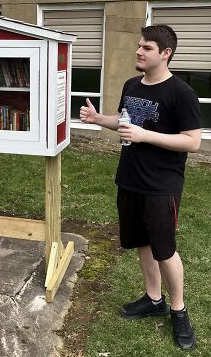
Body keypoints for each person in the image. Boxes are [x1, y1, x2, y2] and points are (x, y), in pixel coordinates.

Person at [79, 24, 201, 351]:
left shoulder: (181, 94)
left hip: (161, 186)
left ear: (165, 53)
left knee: (165, 250)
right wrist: (96, 118)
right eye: (139, 46)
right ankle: (153, 299)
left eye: (146, 47)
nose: (139, 51)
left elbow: (193, 142)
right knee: (142, 244)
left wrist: (146, 136)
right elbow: (124, 121)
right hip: (129, 179)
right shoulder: (132, 85)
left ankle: (178, 311)